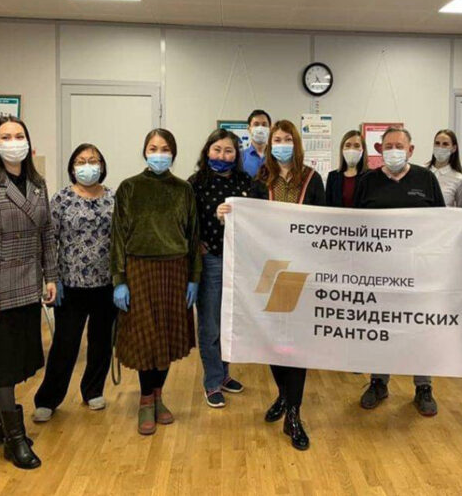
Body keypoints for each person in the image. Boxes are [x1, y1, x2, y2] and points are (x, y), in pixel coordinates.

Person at [224, 119, 324, 450]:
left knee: (296, 343)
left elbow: (325, 223)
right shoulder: (261, 180)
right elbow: (249, 220)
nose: (282, 144)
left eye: (287, 139)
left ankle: (293, 413)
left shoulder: (313, 179)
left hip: (301, 271)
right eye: (277, 139)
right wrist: (230, 213)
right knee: (273, 339)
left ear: (296, 143)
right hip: (269, 269)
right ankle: (283, 395)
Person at [0, 116, 58, 469]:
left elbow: (46, 233)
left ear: (28, 142)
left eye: (19, 135)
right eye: (5, 136)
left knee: (17, 360)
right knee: (2, 364)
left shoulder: (38, 184)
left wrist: (51, 276)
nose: (13, 141)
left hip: (28, 284)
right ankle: (14, 439)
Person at [110, 128, 201, 436]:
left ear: (173, 154)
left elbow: (193, 236)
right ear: (144, 152)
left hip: (175, 271)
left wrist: (194, 278)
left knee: (167, 337)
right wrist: (119, 280)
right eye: (153, 148)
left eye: (164, 149)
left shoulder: (183, 190)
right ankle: (145, 400)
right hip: (139, 270)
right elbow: (117, 237)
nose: (159, 153)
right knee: (145, 338)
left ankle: (159, 396)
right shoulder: (129, 188)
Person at [353, 126, 444, 416]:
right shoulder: (367, 181)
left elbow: (443, 224)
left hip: (418, 271)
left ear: (411, 150)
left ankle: (423, 386)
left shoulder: (426, 179)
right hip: (378, 271)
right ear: (379, 150)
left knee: (419, 327)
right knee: (380, 326)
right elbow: (353, 225)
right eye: (388, 146)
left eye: (399, 146)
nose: (394, 151)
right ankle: (378, 382)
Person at [33, 144, 117, 422]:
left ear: (102, 165)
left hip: (106, 285)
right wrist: (51, 278)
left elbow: (121, 240)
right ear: (72, 167)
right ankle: (48, 399)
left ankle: (93, 390)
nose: (87, 166)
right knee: (65, 344)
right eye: (81, 161)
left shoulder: (114, 198)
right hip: (70, 285)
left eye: (93, 160)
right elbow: (48, 241)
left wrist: (122, 280)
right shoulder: (61, 199)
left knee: (101, 342)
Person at [188, 129, 250, 408]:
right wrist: (197, 243)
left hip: (240, 263)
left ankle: (224, 374)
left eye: (228, 151)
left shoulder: (246, 182)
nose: (222, 156)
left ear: (236, 155)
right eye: (217, 149)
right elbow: (187, 222)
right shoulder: (195, 183)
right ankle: (212, 381)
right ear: (207, 151)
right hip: (211, 260)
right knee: (211, 324)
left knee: (230, 323)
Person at [325, 129, 366, 207]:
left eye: (356, 146)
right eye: (348, 145)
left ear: (363, 150)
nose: (352, 149)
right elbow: (327, 206)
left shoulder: (370, 177)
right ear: (342, 149)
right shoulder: (333, 177)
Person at [427, 129, 462, 207]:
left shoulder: (459, 179)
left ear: (454, 148)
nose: (440, 147)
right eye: (437, 143)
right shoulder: (422, 171)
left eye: (445, 144)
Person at [242, 109, 272, 178]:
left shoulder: (276, 156)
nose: (260, 128)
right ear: (249, 129)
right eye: (256, 124)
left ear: (270, 129)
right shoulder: (241, 157)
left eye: (264, 125)